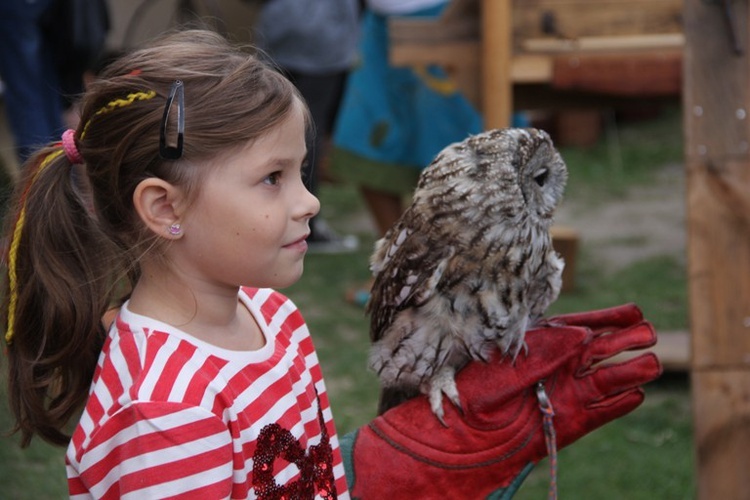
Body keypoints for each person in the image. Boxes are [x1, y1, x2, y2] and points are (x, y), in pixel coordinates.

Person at [1, 29, 661, 498]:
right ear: (164, 209)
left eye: (303, 173)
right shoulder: (162, 409)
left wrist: (397, 469)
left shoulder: (273, 318)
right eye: (273, 179)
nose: (310, 201)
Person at [254, 0, 361, 253]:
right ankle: (305, 226)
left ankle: (265, 216)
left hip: (280, 28)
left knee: (273, 125)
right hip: (325, 38)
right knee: (308, 129)